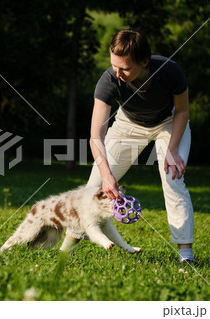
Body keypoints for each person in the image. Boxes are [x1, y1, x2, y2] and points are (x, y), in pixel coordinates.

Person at [60, 29, 194, 263]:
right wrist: (106, 174)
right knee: (94, 186)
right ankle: (66, 249)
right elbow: (96, 134)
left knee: (173, 178)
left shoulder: (170, 72)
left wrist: (172, 151)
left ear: (144, 62)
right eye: (114, 65)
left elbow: (183, 111)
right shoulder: (109, 80)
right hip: (128, 125)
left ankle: (186, 255)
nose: (118, 73)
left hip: (169, 123)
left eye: (125, 68)